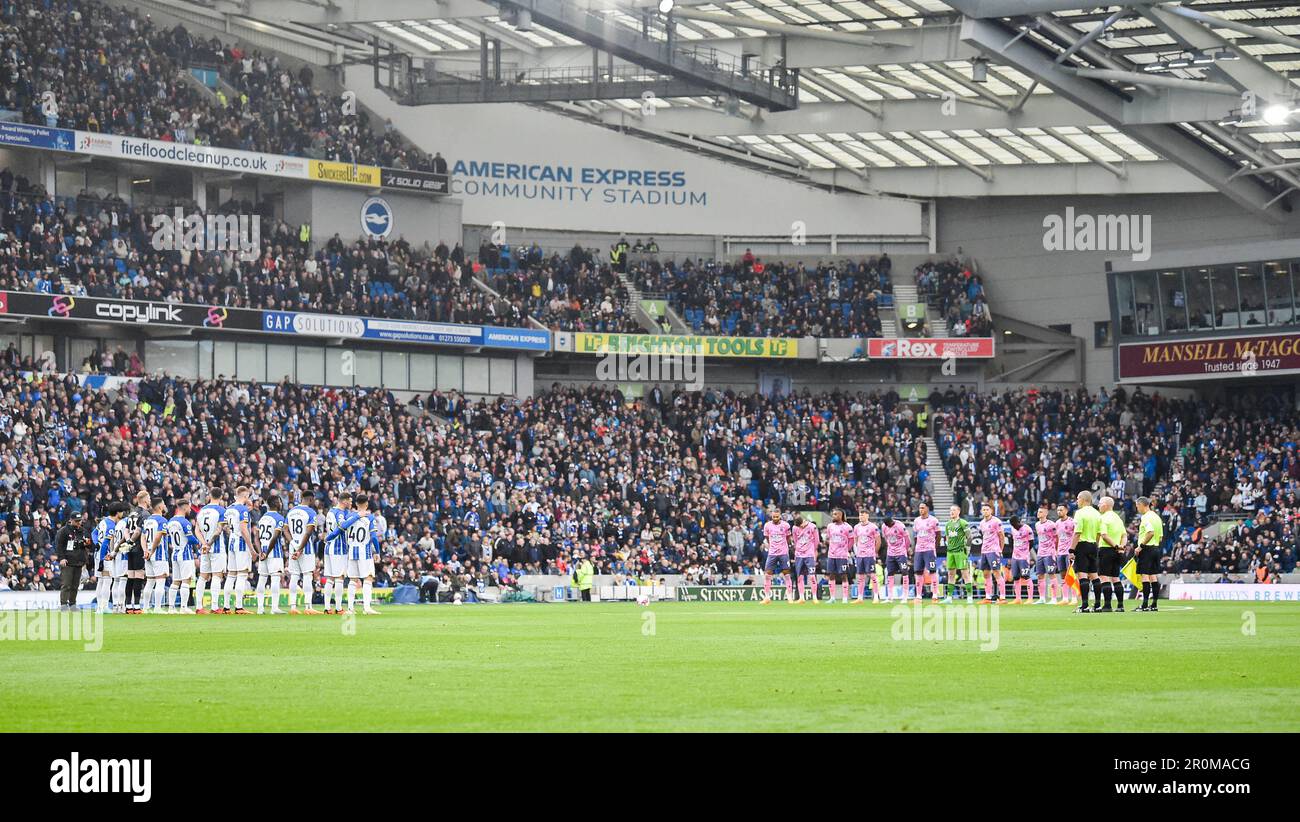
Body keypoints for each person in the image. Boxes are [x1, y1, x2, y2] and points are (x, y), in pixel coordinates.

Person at [329, 493, 384, 614]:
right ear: (366, 504)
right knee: (368, 578)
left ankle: (350, 608)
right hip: (365, 552)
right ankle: (367, 608)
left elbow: (341, 528)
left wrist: (328, 538)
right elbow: (374, 537)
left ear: (356, 504)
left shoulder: (349, 516)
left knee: (353, 580)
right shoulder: (369, 518)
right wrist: (377, 552)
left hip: (351, 552)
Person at [223, 486, 256, 614]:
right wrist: (252, 549)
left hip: (231, 542)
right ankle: (239, 607)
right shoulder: (242, 510)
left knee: (231, 575)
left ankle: (226, 607)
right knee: (242, 575)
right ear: (246, 496)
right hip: (241, 543)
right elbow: (244, 529)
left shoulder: (230, 508)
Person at [286, 496, 321, 614]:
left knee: (294, 576)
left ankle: (293, 607)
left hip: (293, 545)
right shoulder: (311, 512)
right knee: (307, 575)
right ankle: (308, 607)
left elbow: (285, 529)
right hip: (305, 547)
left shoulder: (291, 511)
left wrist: (293, 543)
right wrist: (300, 548)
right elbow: (309, 531)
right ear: (310, 500)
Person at [195, 489, 227, 614]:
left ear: (210, 496)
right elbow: (219, 530)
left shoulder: (202, 511)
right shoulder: (221, 511)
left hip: (204, 548)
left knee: (203, 576)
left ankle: (199, 607)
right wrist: (209, 544)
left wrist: (204, 544)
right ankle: (214, 607)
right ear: (221, 496)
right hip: (216, 548)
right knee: (217, 575)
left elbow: (196, 530)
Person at [1070, 490, 1102, 613]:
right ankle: (1098, 605)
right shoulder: (1097, 514)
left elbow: (1077, 533)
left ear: (1083, 499)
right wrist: (1095, 545)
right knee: (1094, 575)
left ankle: (1084, 606)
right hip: (1093, 544)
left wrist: (1071, 549)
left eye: (1078, 498)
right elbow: (1099, 533)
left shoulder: (1079, 513)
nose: (1077, 501)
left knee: (1082, 575)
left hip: (1082, 545)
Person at [255, 497, 288, 615]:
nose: (281, 503)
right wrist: (267, 553)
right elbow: (275, 537)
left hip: (263, 551)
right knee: (275, 578)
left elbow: (256, 537)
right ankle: (274, 608)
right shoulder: (279, 518)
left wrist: (260, 552)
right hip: (274, 552)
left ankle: (260, 608)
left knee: (262, 578)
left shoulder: (263, 518)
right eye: (279, 501)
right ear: (275, 503)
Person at [92, 504, 127, 613]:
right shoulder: (111, 526)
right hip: (104, 555)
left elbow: (94, 533)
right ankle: (104, 606)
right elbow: (105, 544)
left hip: (97, 554)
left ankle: (99, 607)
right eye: (121, 512)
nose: (122, 514)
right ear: (118, 513)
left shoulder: (103, 521)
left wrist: (96, 543)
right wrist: (103, 559)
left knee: (100, 581)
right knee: (107, 581)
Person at [323, 492, 353, 614]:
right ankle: (339, 608)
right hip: (338, 548)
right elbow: (342, 527)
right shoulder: (340, 513)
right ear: (344, 501)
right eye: (350, 501)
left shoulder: (330, 512)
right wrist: (355, 517)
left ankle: (327, 607)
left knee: (330, 578)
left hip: (328, 547)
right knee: (339, 577)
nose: (351, 503)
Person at [166, 499, 198, 614]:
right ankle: (184, 607)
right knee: (186, 580)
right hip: (185, 554)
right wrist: (200, 542)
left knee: (176, 581)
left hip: (175, 554)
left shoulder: (170, 522)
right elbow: (190, 538)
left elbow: (169, 539)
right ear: (184, 508)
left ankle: (171, 608)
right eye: (189, 507)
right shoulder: (185, 522)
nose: (190, 510)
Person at [1097, 495, 1128, 612]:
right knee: (1115, 578)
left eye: (1100, 503)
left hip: (1106, 549)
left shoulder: (1103, 518)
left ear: (1105, 505)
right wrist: (1121, 547)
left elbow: (1104, 535)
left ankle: (1108, 605)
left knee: (1104, 577)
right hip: (1117, 551)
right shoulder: (1118, 518)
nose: (1098, 506)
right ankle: (1120, 606)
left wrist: (1115, 545)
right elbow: (1124, 535)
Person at [55, 511, 90, 611]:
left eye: (80, 521)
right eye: (77, 521)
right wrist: (61, 558)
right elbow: (59, 546)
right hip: (67, 561)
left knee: (75, 585)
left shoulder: (83, 531)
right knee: (66, 584)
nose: (79, 523)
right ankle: (63, 604)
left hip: (79, 561)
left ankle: (73, 604)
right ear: (71, 520)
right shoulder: (64, 531)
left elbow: (89, 544)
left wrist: (87, 543)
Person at [140, 498, 171, 613]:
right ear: (159, 507)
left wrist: (145, 550)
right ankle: (157, 607)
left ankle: (145, 607)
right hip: (158, 554)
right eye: (163, 504)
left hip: (148, 555)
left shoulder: (148, 520)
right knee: (160, 580)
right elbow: (158, 537)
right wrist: (152, 550)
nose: (164, 505)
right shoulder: (162, 520)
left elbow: (142, 536)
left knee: (150, 581)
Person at [1135, 496, 1164, 612]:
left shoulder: (1146, 517)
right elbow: (1160, 537)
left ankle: (1145, 604)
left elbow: (1150, 532)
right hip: (1156, 548)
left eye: (1137, 506)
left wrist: (1140, 546)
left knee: (1145, 576)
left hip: (1146, 549)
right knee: (1153, 576)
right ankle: (1154, 604)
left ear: (1142, 505)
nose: (1137, 508)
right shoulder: (1157, 517)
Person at [760, 507, 793, 604]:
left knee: (787, 574)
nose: (775, 518)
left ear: (780, 516)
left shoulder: (786, 525)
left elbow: (788, 538)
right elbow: (767, 537)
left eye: (777, 517)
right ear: (771, 516)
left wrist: (783, 546)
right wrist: (773, 546)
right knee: (767, 574)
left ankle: (790, 597)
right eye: (773, 517)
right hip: (772, 553)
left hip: (783, 553)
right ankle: (766, 597)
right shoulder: (767, 525)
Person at [941, 505, 972, 604]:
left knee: (965, 574)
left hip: (960, 552)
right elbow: (947, 538)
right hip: (950, 552)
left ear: (959, 511)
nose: (952, 512)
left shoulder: (963, 523)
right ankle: (949, 598)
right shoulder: (947, 524)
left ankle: (970, 597)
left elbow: (970, 537)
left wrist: (967, 549)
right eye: (950, 510)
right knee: (951, 574)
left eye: (954, 510)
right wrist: (949, 547)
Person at [911, 503, 940, 603]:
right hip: (919, 550)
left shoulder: (933, 520)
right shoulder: (916, 520)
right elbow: (915, 535)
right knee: (918, 572)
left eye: (923, 508)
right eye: (919, 508)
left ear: (927, 508)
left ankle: (935, 595)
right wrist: (915, 547)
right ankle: (919, 596)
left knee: (932, 571)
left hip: (929, 550)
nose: (921, 510)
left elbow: (938, 534)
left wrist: (934, 547)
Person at [976, 503, 1005, 603]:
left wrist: (1000, 550)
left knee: (997, 573)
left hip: (994, 550)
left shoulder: (996, 521)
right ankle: (988, 597)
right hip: (984, 551)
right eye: (983, 510)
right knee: (986, 574)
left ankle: (1002, 598)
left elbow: (1002, 536)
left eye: (987, 509)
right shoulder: (981, 523)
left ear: (991, 511)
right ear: (981, 511)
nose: (985, 511)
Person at [824, 509, 853, 604]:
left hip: (842, 556)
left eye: (835, 514)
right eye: (833, 514)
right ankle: (832, 598)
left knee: (843, 575)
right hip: (831, 555)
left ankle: (845, 598)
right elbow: (829, 538)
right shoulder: (830, 526)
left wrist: (846, 550)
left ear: (841, 515)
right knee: (831, 575)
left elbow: (851, 541)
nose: (833, 516)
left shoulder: (847, 527)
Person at [852, 511, 882, 604]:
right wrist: (857, 551)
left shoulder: (873, 527)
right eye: (860, 515)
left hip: (869, 555)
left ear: (867, 516)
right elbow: (856, 540)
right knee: (860, 577)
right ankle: (860, 598)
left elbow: (878, 541)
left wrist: (874, 552)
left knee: (872, 575)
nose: (861, 516)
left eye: (863, 515)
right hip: (860, 555)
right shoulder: (856, 527)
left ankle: (876, 597)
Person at [1033, 505, 1059, 605]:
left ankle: (1054, 598)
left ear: (1046, 513)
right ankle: (1042, 598)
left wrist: (1055, 551)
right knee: (1040, 575)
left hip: (1049, 553)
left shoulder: (1051, 525)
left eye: (1040, 512)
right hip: (1040, 553)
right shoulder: (1036, 524)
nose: (1038, 513)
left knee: (1051, 574)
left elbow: (1056, 538)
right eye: (1038, 511)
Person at [791, 513, 820, 602]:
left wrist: (813, 551)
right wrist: (798, 550)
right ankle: (801, 598)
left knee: (812, 576)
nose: (800, 528)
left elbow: (817, 540)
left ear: (804, 522)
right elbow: (795, 540)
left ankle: (814, 597)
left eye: (801, 526)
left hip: (809, 555)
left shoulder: (812, 527)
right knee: (799, 577)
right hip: (799, 555)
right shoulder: (795, 528)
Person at [881, 514, 910, 601]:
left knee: (904, 572)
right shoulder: (884, 526)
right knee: (889, 573)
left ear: (892, 521)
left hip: (901, 553)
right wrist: (890, 547)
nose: (888, 526)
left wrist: (905, 550)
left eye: (889, 524)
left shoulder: (900, 526)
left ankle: (905, 596)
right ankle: (890, 597)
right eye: (887, 525)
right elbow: (886, 538)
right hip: (890, 553)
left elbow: (907, 539)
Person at [1007, 515, 1034, 604]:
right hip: (1015, 557)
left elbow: (1031, 543)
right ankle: (1018, 598)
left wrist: (1025, 552)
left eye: (1014, 524)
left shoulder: (1027, 529)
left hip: (1024, 557)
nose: (1013, 526)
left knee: (1026, 576)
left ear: (1018, 522)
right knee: (1016, 577)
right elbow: (1012, 541)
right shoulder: (1012, 529)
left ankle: (1030, 598)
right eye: (1012, 525)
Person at [1055, 503, 1077, 606]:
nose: (1059, 512)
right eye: (1058, 510)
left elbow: (1077, 536)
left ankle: (1074, 598)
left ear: (1066, 511)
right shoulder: (1057, 523)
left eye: (1061, 510)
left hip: (1069, 552)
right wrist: (1056, 551)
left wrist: (1074, 551)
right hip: (1060, 552)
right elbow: (1057, 538)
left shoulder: (1072, 522)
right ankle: (1065, 598)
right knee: (1063, 575)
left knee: (1071, 574)